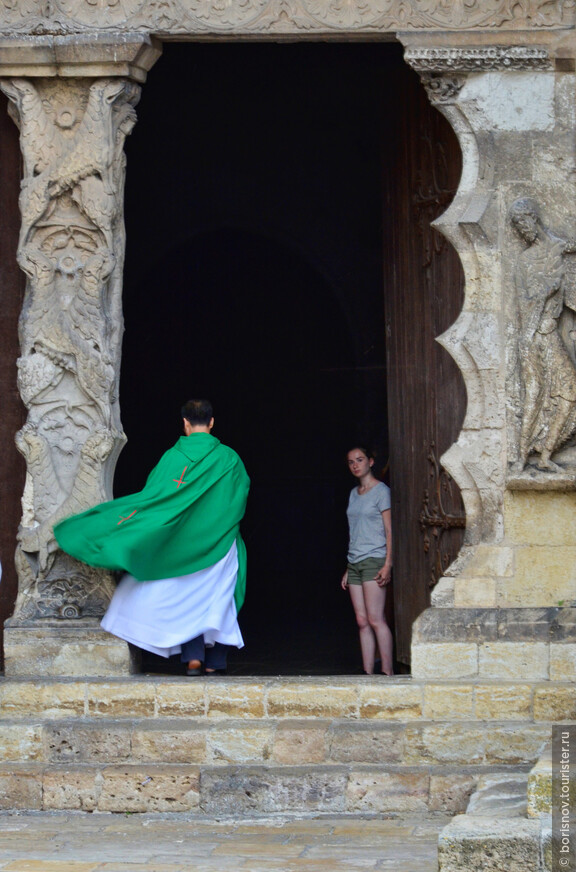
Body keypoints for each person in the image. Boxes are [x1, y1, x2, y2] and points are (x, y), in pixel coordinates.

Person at [54, 399, 250, 675]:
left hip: (179, 547)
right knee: (219, 600)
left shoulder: (172, 458)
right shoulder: (230, 459)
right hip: (219, 544)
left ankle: (193, 659)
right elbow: (238, 501)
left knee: (186, 599)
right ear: (212, 422)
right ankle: (215, 663)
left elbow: (155, 501)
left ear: (184, 423)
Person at [341, 446, 393, 675]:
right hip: (354, 562)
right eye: (351, 461)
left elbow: (389, 530)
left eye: (360, 460)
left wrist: (387, 563)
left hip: (374, 559)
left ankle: (388, 673)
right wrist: (347, 567)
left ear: (371, 462)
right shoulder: (354, 493)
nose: (355, 465)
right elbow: (355, 530)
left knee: (375, 619)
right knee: (361, 621)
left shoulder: (382, 491)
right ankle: (368, 674)